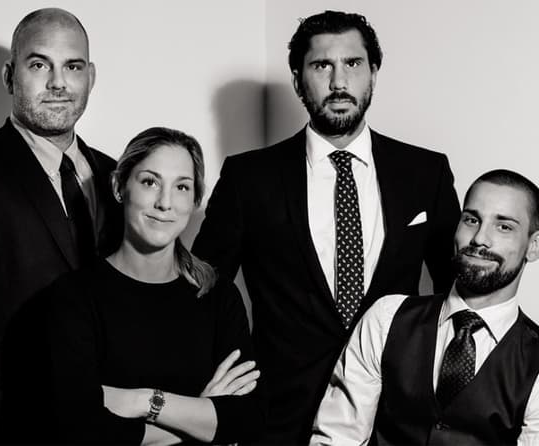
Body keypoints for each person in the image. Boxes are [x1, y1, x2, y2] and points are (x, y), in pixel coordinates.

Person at [192, 10, 460, 444]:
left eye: (353, 63)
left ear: (373, 73)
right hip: (280, 417)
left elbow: (456, 294)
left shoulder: (425, 172)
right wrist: (215, 386)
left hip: (395, 416)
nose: (339, 82)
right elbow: (204, 289)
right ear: (298, 81)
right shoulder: (249, 178)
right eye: (322, 66)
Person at [0, 8, 121, 444]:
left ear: (91, 77)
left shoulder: (116, 177)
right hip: (3, 427)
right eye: (39, 65)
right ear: (9, 76)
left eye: (73, 66)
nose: (58, 82)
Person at [40, 127, 265, 444]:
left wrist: (144, 401)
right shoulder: (73, 297)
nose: (165, 203)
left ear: (196, 200)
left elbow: (246, 420)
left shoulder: (219, 296)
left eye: (182, 187)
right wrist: (200, 415)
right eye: (150, 182)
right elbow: (78, 429)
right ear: (119, 186)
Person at [311, 169, 539, 445]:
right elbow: (338, 437)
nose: (480, 238)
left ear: (534, 246)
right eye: (471, 220)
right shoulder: (386, 318)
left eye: (504, 227)